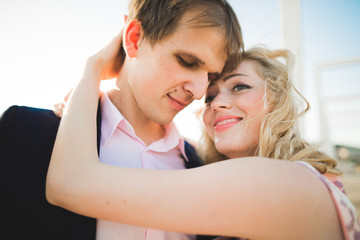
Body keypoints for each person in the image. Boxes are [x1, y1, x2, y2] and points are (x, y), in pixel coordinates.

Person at [47, 44, 360, 240]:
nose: (217, 103)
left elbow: (71, 182)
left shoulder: (290, 183)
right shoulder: (228, 180)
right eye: (210, 96)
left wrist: (91, 73)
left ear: (276, 100)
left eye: (239, 87)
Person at [0, 0, 244, 239]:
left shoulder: (202, 168)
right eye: (187, 61)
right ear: (134, 37)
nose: (200, 92)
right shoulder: (22, 134)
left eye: (211, 75)